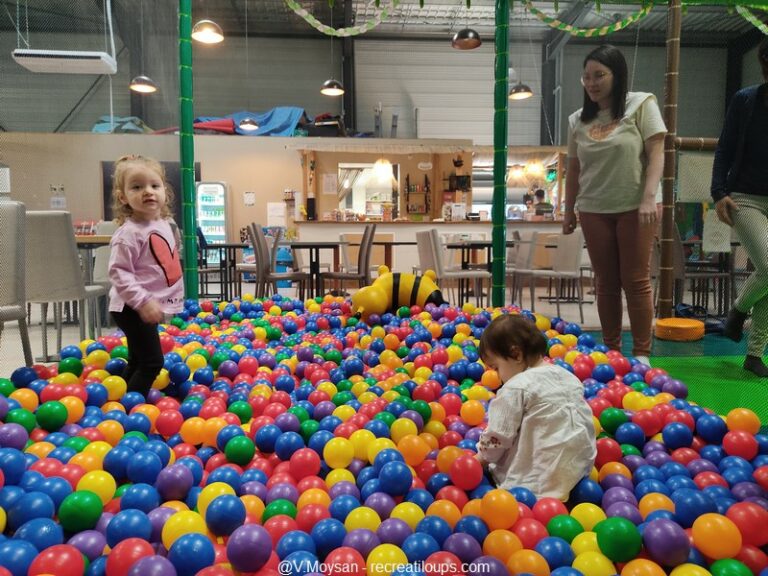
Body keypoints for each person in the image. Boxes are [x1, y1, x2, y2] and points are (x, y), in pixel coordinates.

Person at [563, 45, 666, 367]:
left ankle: (642, 353)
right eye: (586, 77)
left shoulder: (641, 104)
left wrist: (648, 197)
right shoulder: (577, 120)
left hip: (636, 207)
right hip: (594, 208)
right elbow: (574, 169)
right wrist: (568, 210)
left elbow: (657, 153)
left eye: (599, 75)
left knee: (635, 280)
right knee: (605, 282)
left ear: (617, 75)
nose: (591, 83)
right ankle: (612, 350)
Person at [476, 314, 596, 500]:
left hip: (534, 485)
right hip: (578, 474)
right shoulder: (568, 377)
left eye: (496, 367)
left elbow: (498, 437)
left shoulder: (516, 387)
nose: (498, 377)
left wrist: (479, 460)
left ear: (516, 354)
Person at [712, 38, 768, 378]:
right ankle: (737, 309)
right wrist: (719, 192)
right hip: (745, 197)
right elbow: (725, 148)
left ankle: (755, 353)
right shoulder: (746, 101)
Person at [108, 155, 185, 397]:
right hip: (131, 307)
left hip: (142, 305)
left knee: (138, 359)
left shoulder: (164, 223)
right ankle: (131, 410)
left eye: (154, 185)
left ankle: (118, 401)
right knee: (152, 362)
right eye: (137, 187)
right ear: (123, 197)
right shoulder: (129, 233)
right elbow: (119, 272)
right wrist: (143, 301)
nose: (148, 191)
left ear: (165, 192)